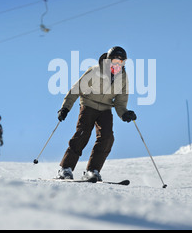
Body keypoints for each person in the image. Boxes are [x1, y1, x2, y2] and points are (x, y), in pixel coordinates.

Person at [56, 46, 137, 181]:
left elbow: (120, 102)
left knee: (107, 138)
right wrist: (65, 107)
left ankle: (92, 170)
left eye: (121, 62)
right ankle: (65, 168)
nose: (117, 65)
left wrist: (124, 114)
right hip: (88, 104)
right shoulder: (96, 71)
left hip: (105, 109)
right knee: (83, 134)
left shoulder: (123, 78)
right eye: (115, 61)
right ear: (108, 60)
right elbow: (76, 89)